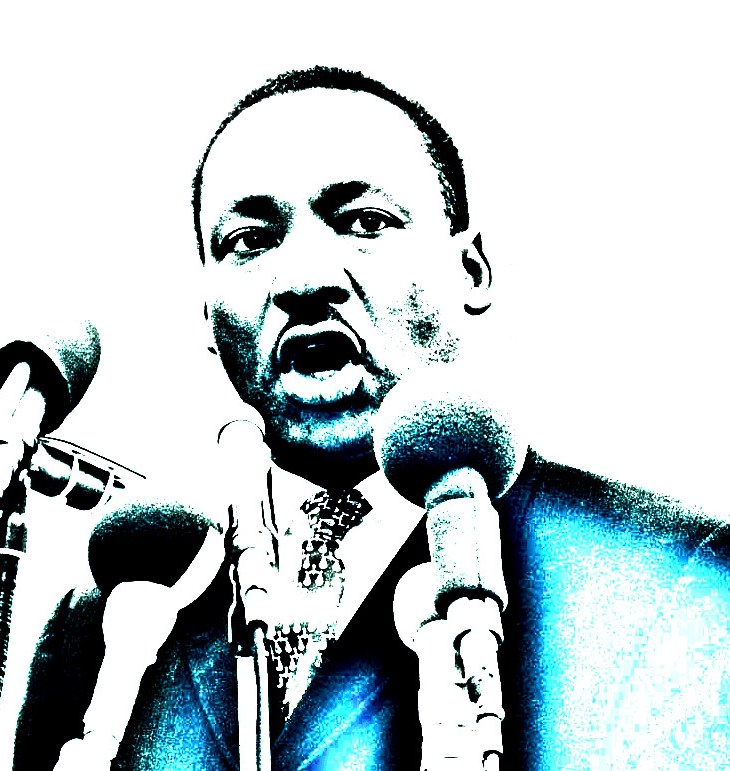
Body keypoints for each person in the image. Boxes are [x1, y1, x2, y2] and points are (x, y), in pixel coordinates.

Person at [13, 67, 730, 770]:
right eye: (248, 241)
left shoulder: (672, 573)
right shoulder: (107, 621)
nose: (304, 280)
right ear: (206, 316)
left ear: (471, 270)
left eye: (365, 223)